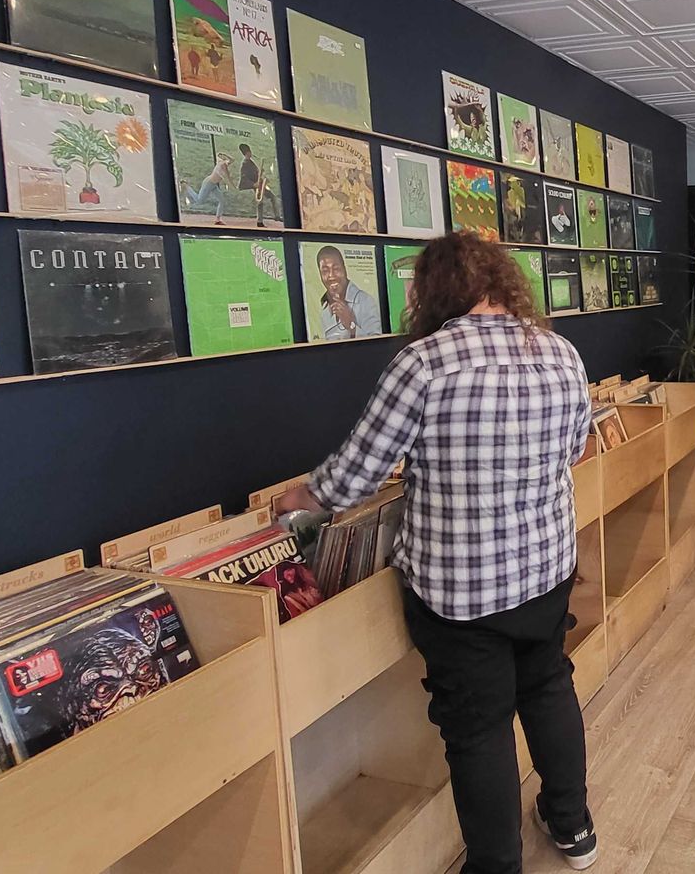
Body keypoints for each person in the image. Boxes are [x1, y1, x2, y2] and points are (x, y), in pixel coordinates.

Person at [274, 232, 598, 872]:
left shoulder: (424, 362)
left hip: (462, 591)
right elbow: (576, 451)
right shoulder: (561, 352)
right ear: (502, 281)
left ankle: (496, 864)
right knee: (549, 689)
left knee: (478, 729)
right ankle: (574, 827)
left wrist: (297, 496)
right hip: (547, 567)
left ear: (437, 289)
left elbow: (353, 478)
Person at [314, 245, 381, 340]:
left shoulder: (365, 301)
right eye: (325, 271)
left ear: (344, 269)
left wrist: (351, 325)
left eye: (336, 269)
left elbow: (377, 345)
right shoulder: (323, 310)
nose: (331, 276)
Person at [183, 154, 232, 221]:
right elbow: (227, 177)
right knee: (199, 200)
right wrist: (233, 186)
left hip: (214, 185)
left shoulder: (224, 163)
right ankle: (186, 186)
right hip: (208, 184)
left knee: (221, 200)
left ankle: (218, 219)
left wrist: (225, 155)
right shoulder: (221, 165)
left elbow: (232, 160)